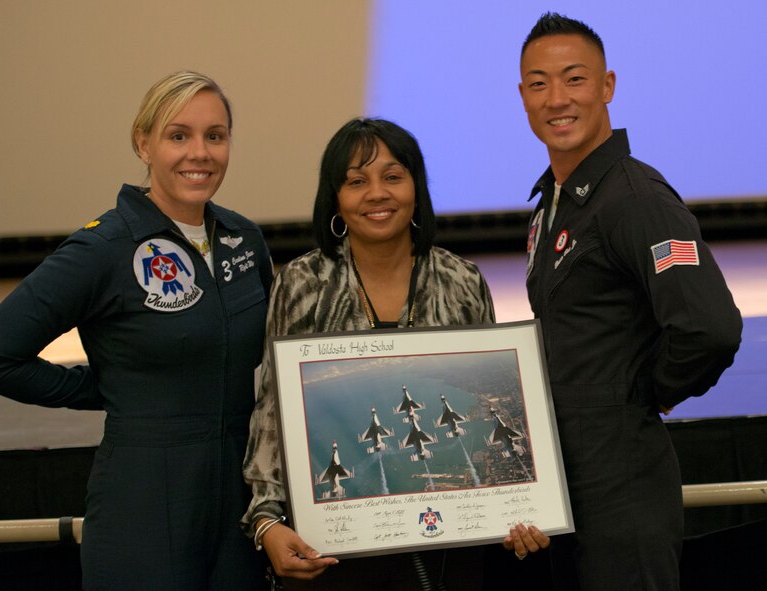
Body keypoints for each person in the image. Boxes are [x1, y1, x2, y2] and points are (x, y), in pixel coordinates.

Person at [0, 71, 273, 590]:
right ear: (143, 144)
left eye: (215, 136)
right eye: (179, 135)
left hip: (239, 506)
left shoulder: (244, 239)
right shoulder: (102, 249)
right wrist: (103, 388)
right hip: (144, 505)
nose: (200, 152)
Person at [241, 117, 548, 591]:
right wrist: (266, 519)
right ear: (335, 199)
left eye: (392, 176)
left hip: (451, 544)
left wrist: (520, 507)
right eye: (356, 181)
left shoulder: (461, 281)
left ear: (416, 188)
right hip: (335, 547)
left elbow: (491, 407)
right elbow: (271, 412)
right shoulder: (302, 284)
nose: (377, 194)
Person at [517, 13, 742, 590]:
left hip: (622, 486)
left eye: (574, 79)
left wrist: (645, 393)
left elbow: (709, 328)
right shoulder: (553, 204)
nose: (556, 99)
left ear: (607, 86)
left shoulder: (637, 198)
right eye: (539, 84)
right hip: (567, 484)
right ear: (523, 97)